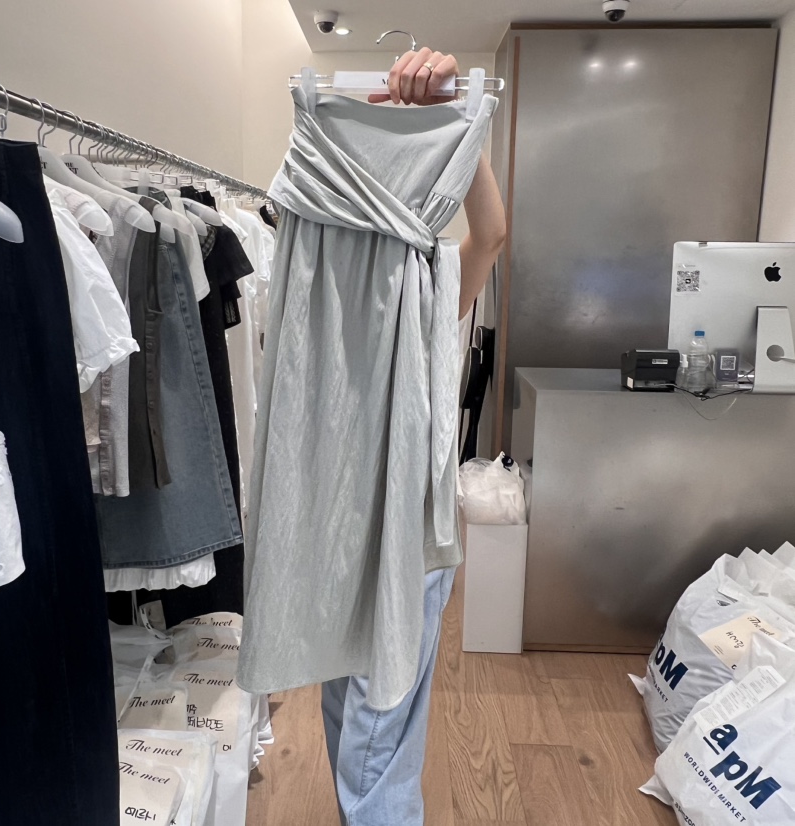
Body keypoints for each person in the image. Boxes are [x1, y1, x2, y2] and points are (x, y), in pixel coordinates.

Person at [320, 48, 507, 826]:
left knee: (379, 715)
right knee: (355, 706)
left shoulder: (431, 282)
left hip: (403, 531)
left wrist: (453, 117)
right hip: (338, 529)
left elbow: (490, 234)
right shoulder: (319, 283)